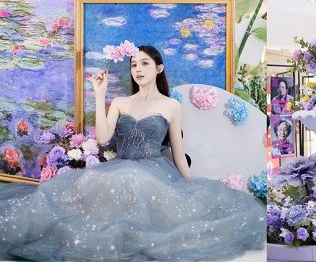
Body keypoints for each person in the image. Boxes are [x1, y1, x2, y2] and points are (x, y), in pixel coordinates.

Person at [0, 46, 265, 261]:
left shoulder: (171, 106)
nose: (138, 69)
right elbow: (103, 138)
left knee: (136, 181)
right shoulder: (120, 102)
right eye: (134, 64)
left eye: (144, 63)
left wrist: (189, 186)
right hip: (120, 165)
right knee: (89, 185)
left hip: (153, 170)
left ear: (159, 68)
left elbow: (178, 152)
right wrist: (99, 94)